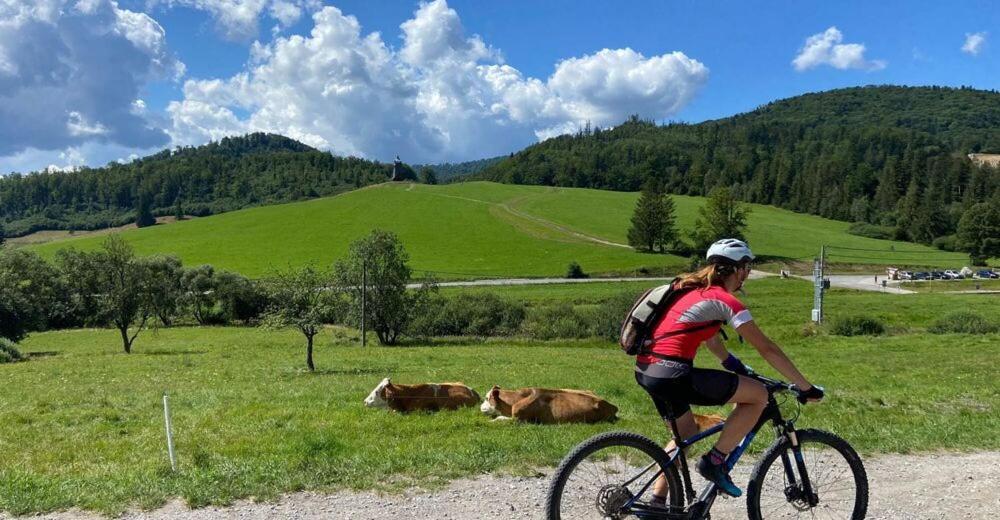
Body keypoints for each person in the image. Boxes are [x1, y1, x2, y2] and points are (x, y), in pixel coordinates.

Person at [635, 238, 824, 500]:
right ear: (738, 269)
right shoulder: (725, 301)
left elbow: (711, 340)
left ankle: (656, 501)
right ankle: (714, 462)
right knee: (759, 395)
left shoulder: (692, 292)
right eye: (748, 267)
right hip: (673, 374)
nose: (747, 273)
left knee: (687, 432)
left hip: (648, 371)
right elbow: (766, 348)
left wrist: (735, 366)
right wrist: (806, 386)